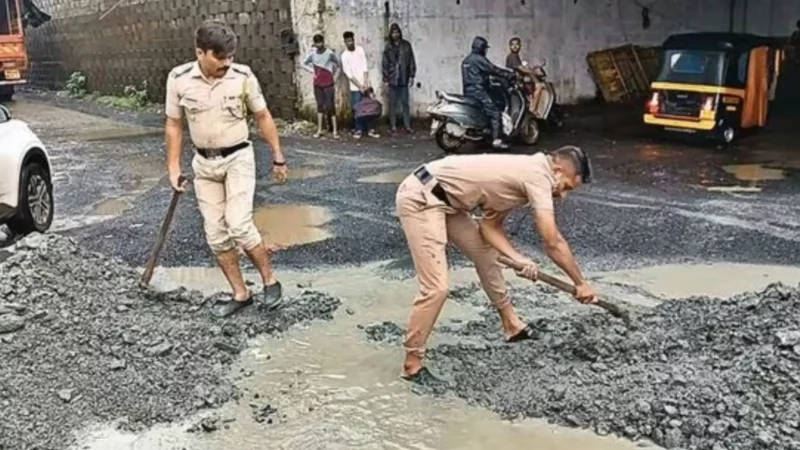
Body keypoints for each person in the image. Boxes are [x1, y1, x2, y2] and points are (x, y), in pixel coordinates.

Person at [394, 146, 597, 382]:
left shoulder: (526, 175)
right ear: (558, 169)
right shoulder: (538, 175)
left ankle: (512, 325)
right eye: (566, 187)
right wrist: (580, 283)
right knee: (437, 288)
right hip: (422, 197)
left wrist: (518, 260)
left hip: (450, 203)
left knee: (487, 257)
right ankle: (412, 363)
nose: (563, 195)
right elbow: (552, 240)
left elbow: (490, 227)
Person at [164, 20, 289, 318]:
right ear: (200, 52)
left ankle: (270, 281)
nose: (227, 63)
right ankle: (240, 293)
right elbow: (173, 124)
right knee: (216, 234)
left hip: (238, 159)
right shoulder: (179, 79)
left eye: (230, 56)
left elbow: (263, 116)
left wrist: (278, 156)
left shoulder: (243, 77)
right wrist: (173, 167)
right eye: (220, 57)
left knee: (239, 224)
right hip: (204, 164)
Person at [462, 36, 514, 150]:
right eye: (485, 48)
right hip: (479, 91)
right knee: (495, 112)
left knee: (483, 111)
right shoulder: (479, 59)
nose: (486, 50)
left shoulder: (467, 60)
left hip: (469, 91)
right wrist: (508, 74)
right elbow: (493, 69)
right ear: (481, 48)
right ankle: (497, 141)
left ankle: (484, 133)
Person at [302, 34, 341, 139]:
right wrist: (312, 72)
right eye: (317, 43)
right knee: (320, 106)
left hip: (328, 83)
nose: (319, 44)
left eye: (320, 42)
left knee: (330, 106)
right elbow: (303, 64)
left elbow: (338, 65)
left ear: (323, 42)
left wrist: (334, 78)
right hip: (318, 84)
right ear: (315, 43)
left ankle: (335, 131)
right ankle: (319, 129)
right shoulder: (313, 54)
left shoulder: (330, 54)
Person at [382, 23, 416, 134]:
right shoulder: (388, 47)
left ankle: (407, 126)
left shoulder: (406, 45)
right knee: (392, 104)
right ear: (390, 34)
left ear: (400, 33)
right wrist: (386, 79)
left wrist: (412, 75)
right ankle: (393, 126)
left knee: (405, 103)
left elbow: (411, 61)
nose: (395, 34)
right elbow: (385, 63)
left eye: (397, 32)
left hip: (404, 77)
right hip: (392, 78)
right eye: (393, 33)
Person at [341, 30, 373, 137]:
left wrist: (365, 83)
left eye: (351, 40)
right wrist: (359, 86)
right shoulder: (344, 56)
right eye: (347, 41)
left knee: (368, 108)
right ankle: (358, 129)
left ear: (354, 40)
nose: (350, 43)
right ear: (345, 42)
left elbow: (365, 66)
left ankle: (369, 129)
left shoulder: (360, 50)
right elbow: (348, 73)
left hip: (365, 84)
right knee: (357, 108)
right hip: (355, 87)